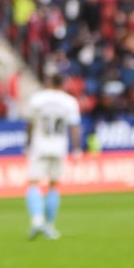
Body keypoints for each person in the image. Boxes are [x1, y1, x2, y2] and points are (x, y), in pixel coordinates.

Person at [23, 71, 82, 240]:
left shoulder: (38, 99)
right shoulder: (69, 102)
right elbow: (74, 128)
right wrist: (76, 149)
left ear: (48, 82)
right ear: (63, 84)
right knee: (53, 186)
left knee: (33, 183)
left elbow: (30, 124)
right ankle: (49, 226)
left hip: (39, 146)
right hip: (59, 147)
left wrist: (27, 144)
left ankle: (37, 221)